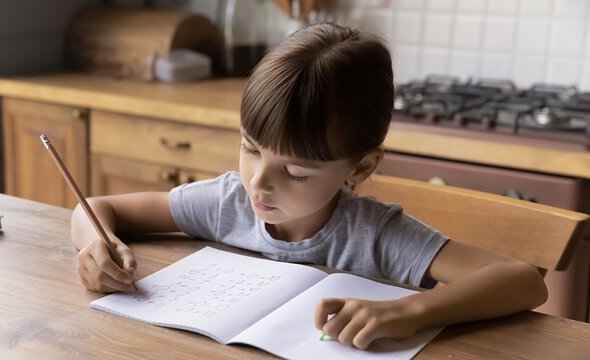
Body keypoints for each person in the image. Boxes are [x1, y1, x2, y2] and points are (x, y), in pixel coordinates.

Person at [71, 22, 547, 350]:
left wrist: (413, 311)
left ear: (359, 169)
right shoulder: (226, 203)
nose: (258, 182)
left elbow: (523, 281)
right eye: (251, 149)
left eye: (296, 173)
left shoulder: (375, 234)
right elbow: (97, 206)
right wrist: (97, 244)